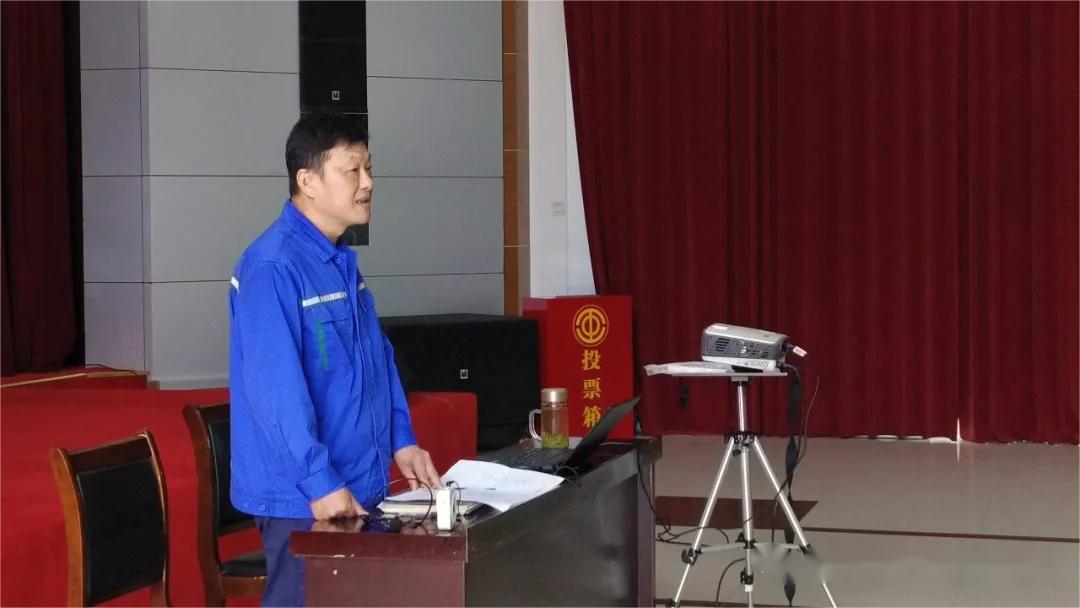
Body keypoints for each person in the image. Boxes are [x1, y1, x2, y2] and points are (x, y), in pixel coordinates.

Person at [228, 113, 442, 606]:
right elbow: (275, 392)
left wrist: (402, 439)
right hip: (306, 499)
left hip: (356, 482)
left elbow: (377, 359)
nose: (367, 183)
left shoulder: (339, 261)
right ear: (307, 181)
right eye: (352, 170)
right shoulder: (272, 267)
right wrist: (319, 482)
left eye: (369, 169)